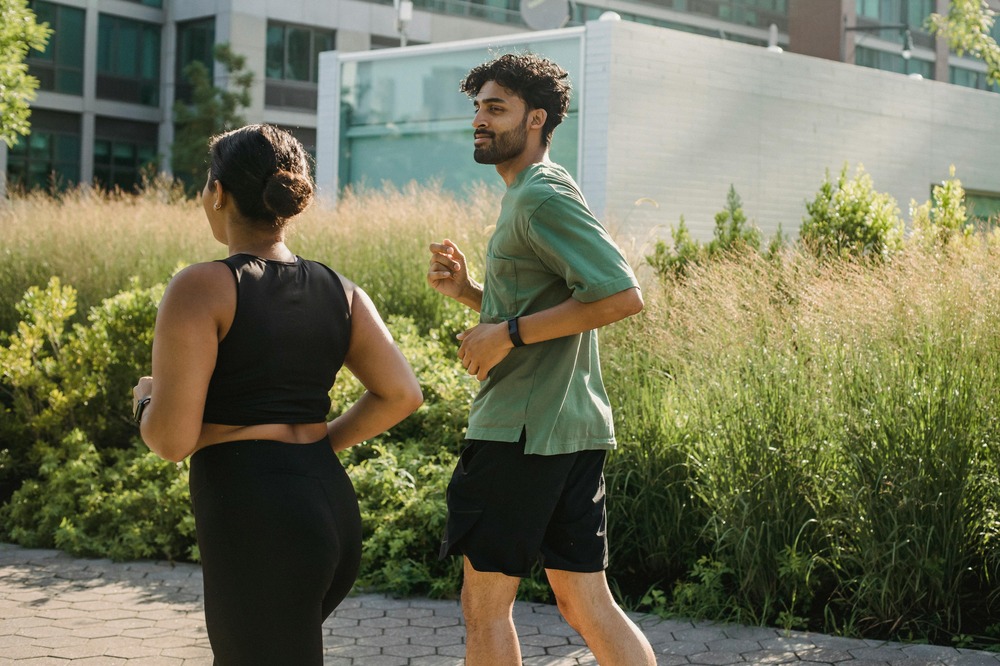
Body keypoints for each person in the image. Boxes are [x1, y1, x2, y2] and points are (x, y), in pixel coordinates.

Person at [132, 124, 423, 665]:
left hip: (257, 517)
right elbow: (402, 394)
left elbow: (172, 440)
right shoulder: (343, 291)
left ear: (218, 193)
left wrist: (146, 400)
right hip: (330, 509)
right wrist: (315, 450)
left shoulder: (201, 287)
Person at [426, 53, 656, 666]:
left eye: (495, 108)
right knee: (584, 600)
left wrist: (508, 334)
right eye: (477, 108)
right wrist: (474, 295)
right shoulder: (530, 195)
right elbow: (556, 300)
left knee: (484, 607)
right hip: (566, 427)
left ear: (536, 119)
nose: (480, 119)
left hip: (522, 433)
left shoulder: (539, 195)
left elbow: (619, 294)